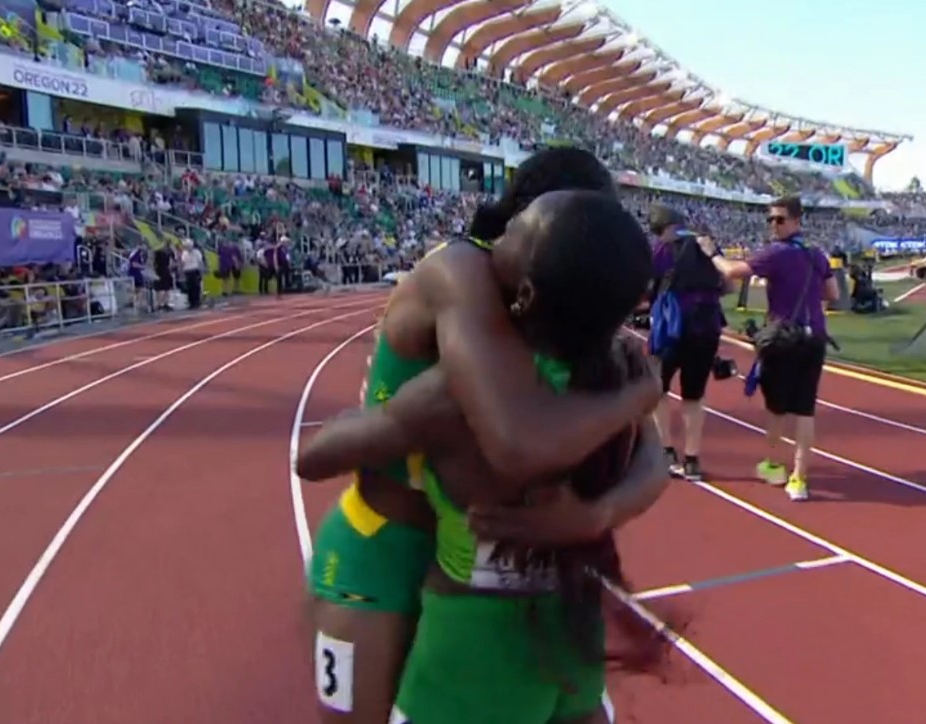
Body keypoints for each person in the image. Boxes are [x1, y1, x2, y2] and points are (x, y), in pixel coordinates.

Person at [296, 149, 665, 724]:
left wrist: (596, 514)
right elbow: (515, 441)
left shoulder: (575, 325)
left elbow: (651, 456)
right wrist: (634, 399)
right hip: (389, 544)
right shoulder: (464, 272)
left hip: (489, 577)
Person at [700, 196, 836, 501]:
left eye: (780, 219)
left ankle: (775, 466)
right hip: (813, 338)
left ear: (796, 221)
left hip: (783, 338)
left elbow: (733, 272)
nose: (773, 225)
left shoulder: (776, 253)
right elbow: (833, 292)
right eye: (770, 220)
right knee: (804, 409)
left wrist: (713, 253)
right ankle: (799, 480)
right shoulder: (816, 254)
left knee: (777, 407)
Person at [646, 205, 727, 481]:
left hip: (671, 329)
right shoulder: (706, 243)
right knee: (694, 395)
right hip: (706, 328)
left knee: (658, 387)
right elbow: (726, 283)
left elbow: (648, 287)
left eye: (658, 231)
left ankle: (666, 450)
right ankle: (692, 458)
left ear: (665, 228)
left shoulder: (661, 250)